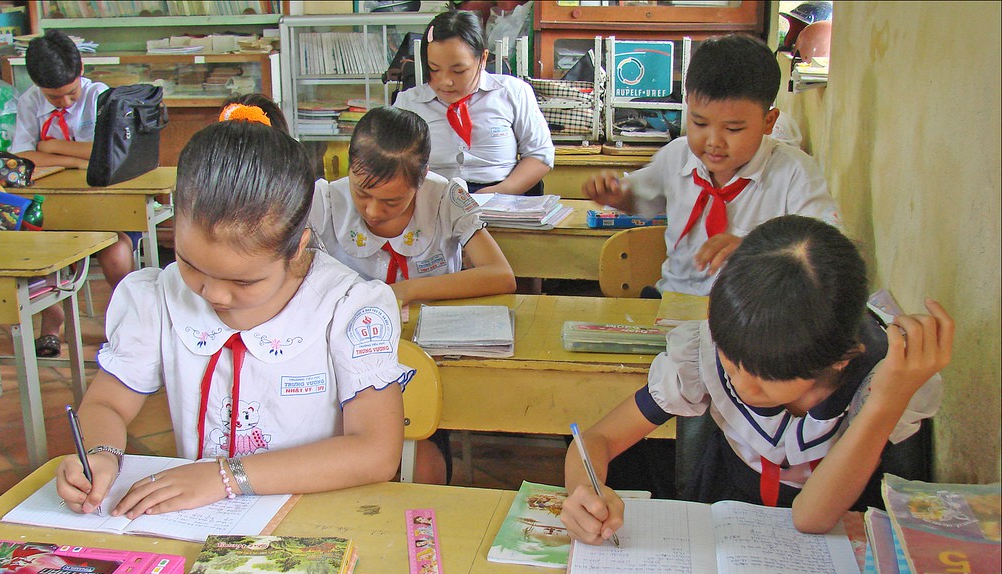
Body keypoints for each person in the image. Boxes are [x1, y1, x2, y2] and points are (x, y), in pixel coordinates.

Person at [55, 115, 411, 519]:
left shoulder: (346, 305)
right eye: (189, 264)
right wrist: (100, 453)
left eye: (242, 281)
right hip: (202, 522)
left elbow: (376, 451)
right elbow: (107, 403)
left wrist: (225, 477)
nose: (212, 293)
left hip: (316, 515)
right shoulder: (157, 297)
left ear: (297, 248)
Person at [559, 216, 953, 542]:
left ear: (838, 360)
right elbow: (597, 439)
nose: (744, 388)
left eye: (766, 381)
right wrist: (586, 490)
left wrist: (888, 399)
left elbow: (811, 518)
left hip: (834, 541)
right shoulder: (709, 349)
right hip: (725, 520)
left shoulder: (879, 381)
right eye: (731, 365)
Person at [310, 105, 516, 485]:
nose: (372, 210)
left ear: (421, 180)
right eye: (362, 193)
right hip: (346, 362)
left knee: (424, 458)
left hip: (433, 354)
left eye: (391, 202)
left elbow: (500, 274)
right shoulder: (324, 202)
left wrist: (402, 291)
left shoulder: (445, 198)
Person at [583, 34, 841, 298]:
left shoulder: (795, 173)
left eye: (733, 128)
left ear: (769, 121)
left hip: (751, 313)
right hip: (674, 302)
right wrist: (616, 196)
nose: (714, 142)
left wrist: (759, 251)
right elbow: (639, 200)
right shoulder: (676, 157)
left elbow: (828, 248)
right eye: (700, 123)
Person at [10, 29, 139, 357]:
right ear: (37, 84)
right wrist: (77, 157)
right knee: (34, 250)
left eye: (70, 93)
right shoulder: (29, 102)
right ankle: (50, 324)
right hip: (55, 209)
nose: (65, 102)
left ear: (81, 68)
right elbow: (23, 158)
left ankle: (128, 325)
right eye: (54, 98)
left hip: (106, 207)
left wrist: (51, 147)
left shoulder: (101, 97)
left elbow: (111, 153)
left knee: (117, 252)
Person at [393, 9, 554, 196]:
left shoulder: (512, 92)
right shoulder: (408, 103)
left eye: (458, 71)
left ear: (483, 59)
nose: (446, 81)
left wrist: (498, 193)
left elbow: (540, 155)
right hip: (433, 199)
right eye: (434, 69)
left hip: (502, 195)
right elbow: (392, 163)